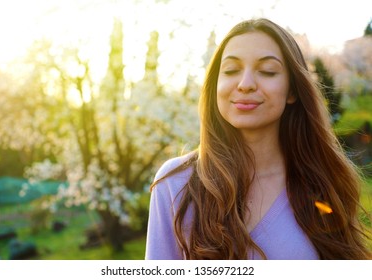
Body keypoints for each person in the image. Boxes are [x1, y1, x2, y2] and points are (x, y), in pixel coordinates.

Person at [145, 18, 372, 260]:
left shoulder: (322, 183)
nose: (245, 85)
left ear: (293, 90)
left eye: (267, 71)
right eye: (231, 70)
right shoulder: (176, 184)